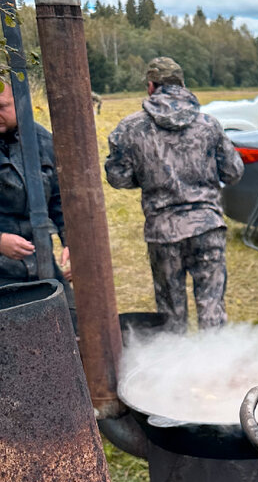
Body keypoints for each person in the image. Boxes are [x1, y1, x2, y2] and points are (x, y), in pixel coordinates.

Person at [105, 56, 243, 331]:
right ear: (182, 84)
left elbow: (117, 177)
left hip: (163, 232)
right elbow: (233, 172)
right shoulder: (209, 124)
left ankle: (176, 371)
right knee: (212, 309)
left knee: (171, 315)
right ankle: (219, 369)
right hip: (207, 226)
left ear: (150, 86)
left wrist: (147, 177)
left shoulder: (130, 128)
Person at [0, 81, 72, 295]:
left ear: (21, 103)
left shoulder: (41, 140)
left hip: (43, 266)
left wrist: (71, 244)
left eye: (2, 107)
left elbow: (60, 199)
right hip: (3, 274)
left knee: (70, 322)